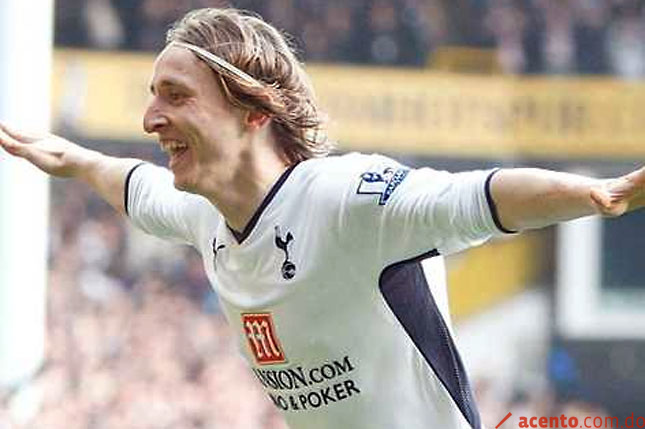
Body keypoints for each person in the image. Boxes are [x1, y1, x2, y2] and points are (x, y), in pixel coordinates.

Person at [1, 7, 643, 429]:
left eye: (176, 96)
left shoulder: (345, 200)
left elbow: (478, 197)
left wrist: (600, 194)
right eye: (152, 97)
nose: (150, 119)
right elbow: (133, 186)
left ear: (254, 111)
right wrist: (73, 159)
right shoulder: (204, 219)